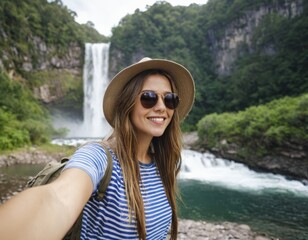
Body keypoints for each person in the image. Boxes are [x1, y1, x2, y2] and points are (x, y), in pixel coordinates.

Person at [0, 57, 195, 240]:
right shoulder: (99, 156)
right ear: (127, 104)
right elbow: (58, 197)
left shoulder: (164, 163)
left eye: (170, 99)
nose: (161, 107)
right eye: (149, 97)